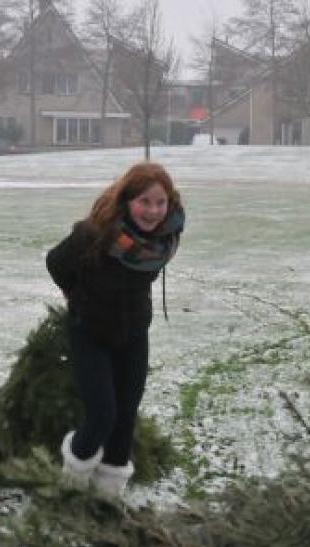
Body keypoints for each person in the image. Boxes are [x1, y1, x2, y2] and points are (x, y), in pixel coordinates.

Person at [47, 162, 185, 500]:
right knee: (102, 415)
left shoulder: (165, 238)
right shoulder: (95, 234)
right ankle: (71, 490)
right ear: (127, 201)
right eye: (145, 202)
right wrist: (75, 295)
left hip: (134, 333)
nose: (153, 211)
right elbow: (56, 262)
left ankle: (107, 498)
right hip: (90, 331)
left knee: (125, 418)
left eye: (160, 202)